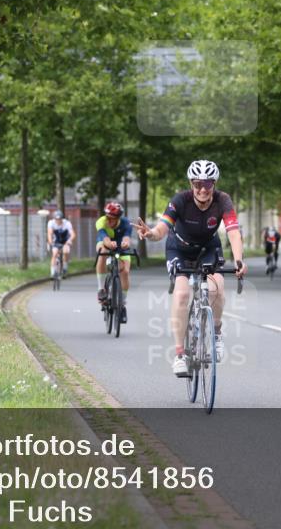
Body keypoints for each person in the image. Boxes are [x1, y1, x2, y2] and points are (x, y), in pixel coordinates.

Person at [135, 160, 246, 378]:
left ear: (214, 184)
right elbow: (162, 228)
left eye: (208, 184)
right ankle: (179, 355)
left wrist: (239, 260)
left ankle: (216, 334)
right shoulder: (180, 200)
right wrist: (150, 234)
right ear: (191, 184)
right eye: (197, 184)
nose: (203, 189)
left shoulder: (223, 200)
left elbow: (233, 231)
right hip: (179, 249)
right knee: (183, 292)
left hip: (208, 248)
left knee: (217, 288)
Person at [95, 202, 133, 323]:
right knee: (103, 252)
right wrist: (109, 244)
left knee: (125, 272)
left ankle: (122, 305)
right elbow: (104, 238)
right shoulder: (101, 221)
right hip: (105, 243)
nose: (109, 221)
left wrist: (126, 243)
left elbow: (127, 238)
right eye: (108, 218)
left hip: (120, 246)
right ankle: (101, 289)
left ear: (118, 218)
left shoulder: (126, 223)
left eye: (112, 219)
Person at [46, 210, 76, 277]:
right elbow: (49, 234)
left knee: (65, 252)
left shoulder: (67, 223)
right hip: (55, 241)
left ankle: (65, 268)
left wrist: (69, 241)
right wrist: (51, 242)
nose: (58, 221)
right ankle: (52, 272)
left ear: (62, 219)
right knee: (54, 254)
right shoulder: (51, 223)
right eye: (56, 219)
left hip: (65, 241)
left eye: (59, 219)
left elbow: (73, 234)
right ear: (54, 219)